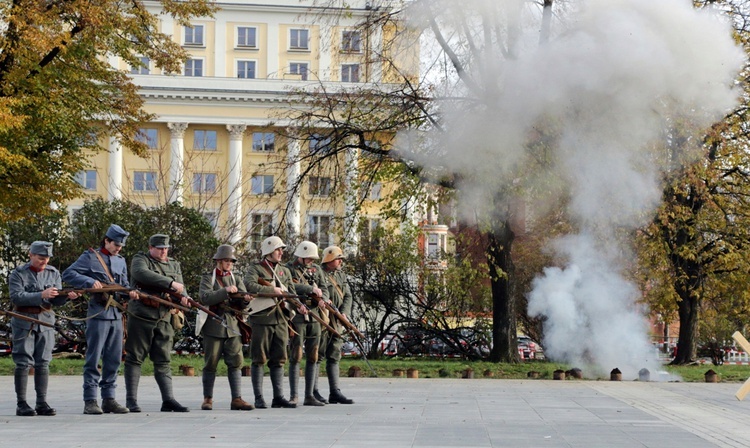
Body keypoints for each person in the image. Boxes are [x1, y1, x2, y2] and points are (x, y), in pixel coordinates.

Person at [63, 224, 138, 415]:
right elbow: (69, 274)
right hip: (98, 313)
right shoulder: (90, 257)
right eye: (116, 245)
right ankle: (90, 400)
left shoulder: (121, 261)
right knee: (94, 358)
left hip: (115, 315)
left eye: (121, 246)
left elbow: (124, 285)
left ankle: (109, 399)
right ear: (106, 240)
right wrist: (89, 282)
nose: (119, 248)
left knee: (113, 359)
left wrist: (131, 294)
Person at [8, 241, 79, 416]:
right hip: (24, 320)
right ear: (30, 255)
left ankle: (41, 402)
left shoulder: (53, 273)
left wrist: (68, 296)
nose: (44, 262)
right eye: (40, 258)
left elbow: (56, 300)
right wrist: (41, 295)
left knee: (43, 362)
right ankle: (22, 403)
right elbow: (17, 297)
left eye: (46, 258)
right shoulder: (18, 274)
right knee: (23, 362)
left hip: (46, 320)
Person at [125, 234, 190, 413]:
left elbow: (181, 287)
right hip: (142, 317)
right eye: (160, 248)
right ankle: (131, 401)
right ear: (150, 247)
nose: (163, 252)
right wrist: (170, 283)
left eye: (166, 248)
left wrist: (185, 298)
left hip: (164, 318)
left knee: (163, 359)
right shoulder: (141, 260)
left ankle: (168, 399)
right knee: (134, 358)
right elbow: (141, 274)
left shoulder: (174, 264)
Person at [244, 236, 305, 409]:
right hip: (262, 319)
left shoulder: (284, 271)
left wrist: (299, 305)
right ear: (269, 251)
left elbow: (290, 292)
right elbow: (250, 286)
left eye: (282, 250)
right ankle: (259, 397)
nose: (281, 253)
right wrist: (272, 290)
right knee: (259, 359)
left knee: (279, 358)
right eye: (278, 249)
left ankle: (278, 397)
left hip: (280, 319)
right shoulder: (256, 269)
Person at [197, 244, 254, 411]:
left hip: (233, 326)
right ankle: (208, 399)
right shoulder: (209, 278)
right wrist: (226, 291)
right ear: (219, 261)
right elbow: (205, 297)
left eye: (231, 261)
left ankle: (236, 398)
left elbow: (242, 300)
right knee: (211, 363)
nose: (230, 263)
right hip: (214, 326)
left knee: (236, 362)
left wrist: (245, 300)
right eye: (227, 260)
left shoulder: (236, 278)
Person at [285, 241, 329, 406]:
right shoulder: (288, 268)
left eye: (312, 258)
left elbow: (324, 288)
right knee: (296, 355)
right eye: (308, 258)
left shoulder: (316, 270)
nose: (311, 261)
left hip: (315, 313)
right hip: (298, 314)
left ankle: (309, 395)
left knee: (313, 355)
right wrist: (309, 289)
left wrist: (322, 299)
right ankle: (294, 395)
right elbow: (289, 286)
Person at [314, 245, 355, 404]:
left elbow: (348, 296)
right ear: (330, 260)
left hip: (337, 320)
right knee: (319, 354)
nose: (340, 261)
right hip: (323, 318)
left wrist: (344, 313)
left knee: (334, 355)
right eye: (338, 259)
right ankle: (314, 390)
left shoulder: (341, 275)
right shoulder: (319, 273)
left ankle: (335, 391)